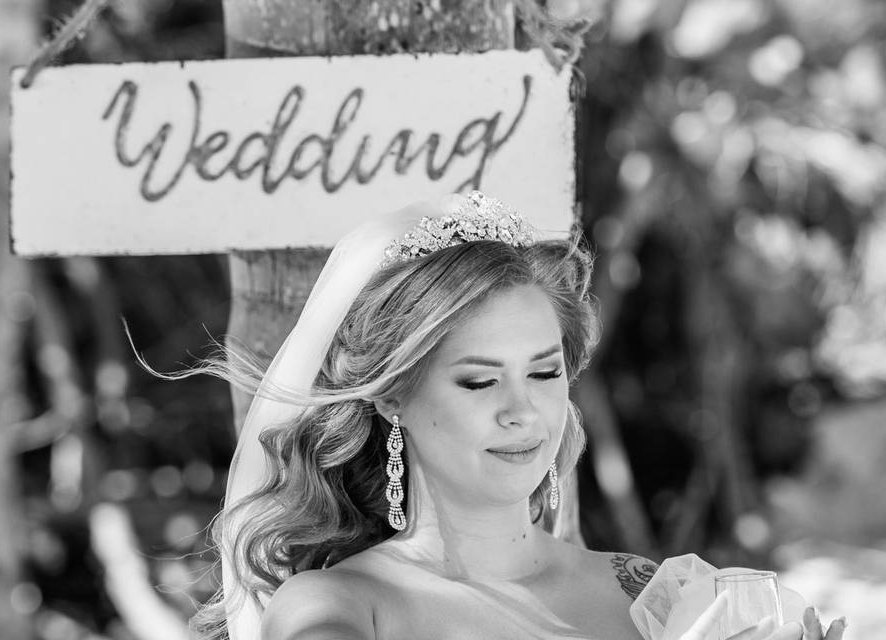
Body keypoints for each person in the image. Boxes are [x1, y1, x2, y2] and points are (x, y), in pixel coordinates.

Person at [187, 192, 846, 640]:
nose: (522, 411)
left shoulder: (652, 594)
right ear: (391, 396)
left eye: (543, 372)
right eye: (479, 381)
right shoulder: (338, 612)